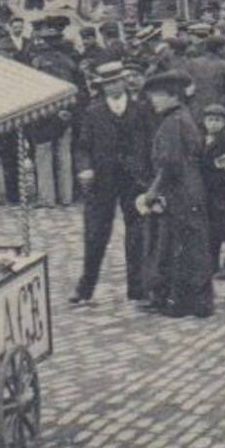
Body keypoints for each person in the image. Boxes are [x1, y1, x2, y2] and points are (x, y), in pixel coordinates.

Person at [71, 61, 153, 304]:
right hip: (102, 180)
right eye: (106, 84)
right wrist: (85, 169)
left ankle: (137, 288)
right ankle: (85, 288)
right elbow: (82, 146)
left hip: (133, 180)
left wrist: (147, 174)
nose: (111, 88)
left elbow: (150, 143)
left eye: (115, 82)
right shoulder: (93, 112)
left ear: (123, 83)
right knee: (95, 233)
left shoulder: (140, 110)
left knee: (137, 234)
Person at [138, 70, 213, 319]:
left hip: (182, 190)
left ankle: (188, 302)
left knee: (186, 246)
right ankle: (187, 300)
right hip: (188, 188)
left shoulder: (174, 123)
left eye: (158, 96)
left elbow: (169, 165)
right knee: (184, 244)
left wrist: (151, 193)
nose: (153, 101)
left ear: (174, 97)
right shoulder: (181, 118)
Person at [198, 103, 225, 282]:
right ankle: (212, 262)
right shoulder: (202, 140)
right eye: (210, 120)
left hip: (223, 191)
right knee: (211, 228)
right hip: (208, 190)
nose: (213, 124)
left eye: (217, 120)